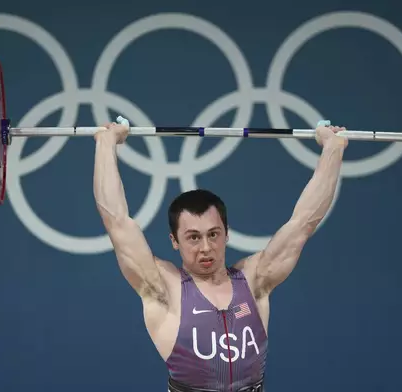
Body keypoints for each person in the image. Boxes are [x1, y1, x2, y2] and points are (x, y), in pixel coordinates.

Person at [93, 121, 348, 392]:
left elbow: (303, 223)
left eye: (213, 234)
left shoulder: (253, 280)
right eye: (193, 237)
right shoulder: (163, 287)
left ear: (226, 234)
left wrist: (333, 149)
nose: (205, 247)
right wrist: (106, 144)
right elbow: (116, 222)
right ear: (174, 241)